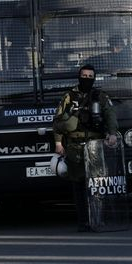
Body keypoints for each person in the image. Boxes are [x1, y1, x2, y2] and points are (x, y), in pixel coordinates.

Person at [53, 64, 118, 231]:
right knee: (79, 184)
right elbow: (59, 121)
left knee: (97, 183)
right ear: (78, 76)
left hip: (95, 146)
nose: (86, 79)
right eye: (84, 76)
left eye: (90, 76)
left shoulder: (100, 96)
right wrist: (58, 143)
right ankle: (83, 221)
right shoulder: (69, 96)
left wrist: (112, 134)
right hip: (75, 147)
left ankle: (98, 219)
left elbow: (110, 115)